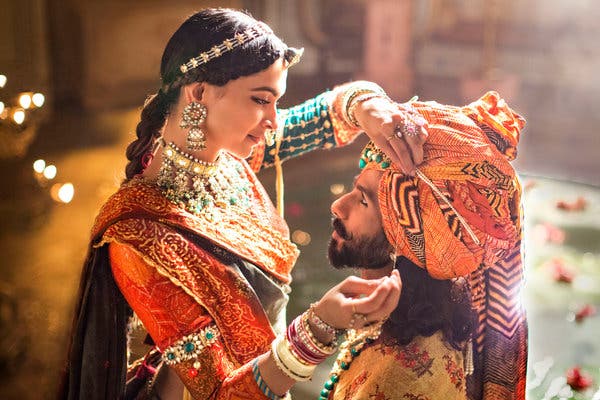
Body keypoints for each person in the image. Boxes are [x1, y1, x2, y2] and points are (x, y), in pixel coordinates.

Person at [58, 8, 420, 400]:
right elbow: (221, 394)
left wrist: (367, 105)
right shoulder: (141, 240)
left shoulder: (228, 157)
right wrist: (318, 327)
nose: (274, 121)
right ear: (199, 93)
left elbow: (328, 115)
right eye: (261, 99)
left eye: (276, 102)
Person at [317, 92, 527, 400]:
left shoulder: (403, 376)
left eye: (363, 201)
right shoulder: (394, 325)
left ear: (408, 241)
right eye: (354, 188)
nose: (337, 205)